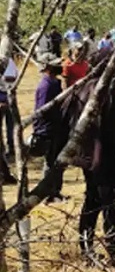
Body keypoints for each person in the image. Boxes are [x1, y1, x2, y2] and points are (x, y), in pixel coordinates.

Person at [73, 71, 115, 268]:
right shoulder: (108, 91)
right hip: (107, 159)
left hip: (88, 158)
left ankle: (86, 249)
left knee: (91, 202)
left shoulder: (83, 87)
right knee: (111, 208)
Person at [32, 54, 66, 203]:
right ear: (47, 68)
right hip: (48, 130)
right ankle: (48, 193)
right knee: (51, 162)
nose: (60, 67)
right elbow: (42, 111)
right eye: (55, 65)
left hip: (57, 128)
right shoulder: (45, 86)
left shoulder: (55, 83)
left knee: (57, 161)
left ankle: (55, 191)